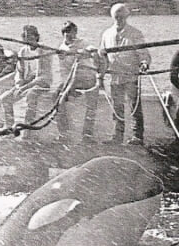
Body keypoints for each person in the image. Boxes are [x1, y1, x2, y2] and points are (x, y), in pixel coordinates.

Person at [98, 3, 150, 145]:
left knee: (134, 106)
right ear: (112, 17)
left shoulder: (135, 33)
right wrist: (100, 76)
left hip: (131, 75)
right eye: (117, 17)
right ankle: (117, 135)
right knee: (117, 107)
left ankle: (137, 136)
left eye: (122, 17)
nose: (119, 20)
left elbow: (144, 54)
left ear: (126, 16)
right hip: (115, 76)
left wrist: (144, 63)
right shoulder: (107, 34)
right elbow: (103, 57)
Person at [0, 24, 52, 137]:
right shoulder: (23, 51)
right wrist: (19, 85)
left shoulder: (44, 51)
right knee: (5, 98)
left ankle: (27, 131)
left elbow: (43, 76)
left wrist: (25, 87)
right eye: (26, 37)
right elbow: (19, 72)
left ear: (36, 37)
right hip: (26, 83)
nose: (28, 40)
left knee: (31, 96)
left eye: (31, 37)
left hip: (41, 83)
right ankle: (9, 128)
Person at [54, 21, 99, 142]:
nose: (70, 35)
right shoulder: (62, 48)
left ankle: (87, 135)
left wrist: (87, 51)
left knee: (91, 104)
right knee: (56, 97)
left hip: (87, 78)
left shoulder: (83, 43)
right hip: (71, 80)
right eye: (67, 32)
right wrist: (68, 86)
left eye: (73, 32)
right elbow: (63, 71)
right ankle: (63, 133)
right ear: (63, 33)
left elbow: (93, 49)